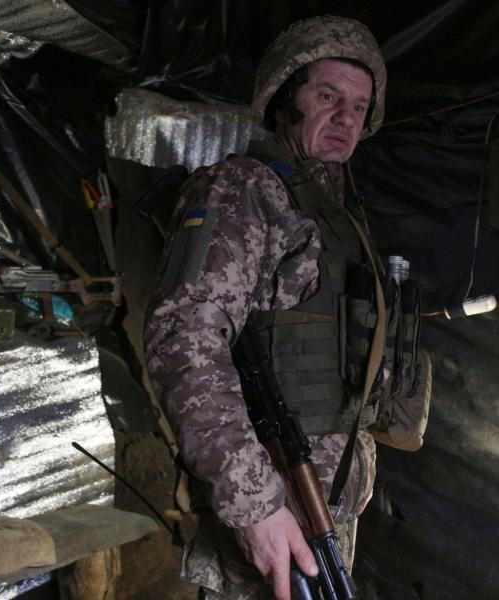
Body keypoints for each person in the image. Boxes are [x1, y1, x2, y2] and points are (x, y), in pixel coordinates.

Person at [145, 15, 390, 600]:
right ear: (285, 101)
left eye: (358, 106)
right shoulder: (243, 191)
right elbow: (184, 340)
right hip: (271, 508)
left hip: (327, 509)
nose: (344, 118)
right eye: (327, 96)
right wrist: (254, 504)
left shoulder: (338, 214)